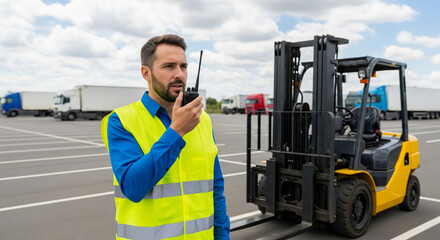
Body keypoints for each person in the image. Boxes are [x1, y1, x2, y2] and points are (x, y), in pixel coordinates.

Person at [101, 34, 230, 240]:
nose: (179, 74)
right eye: (169, 66)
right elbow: (133, 187)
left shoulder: (202, 119)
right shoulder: (121, 121)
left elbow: (215, 188)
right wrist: (176, 131)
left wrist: (223, 236)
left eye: (183, 66)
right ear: (146, 73)